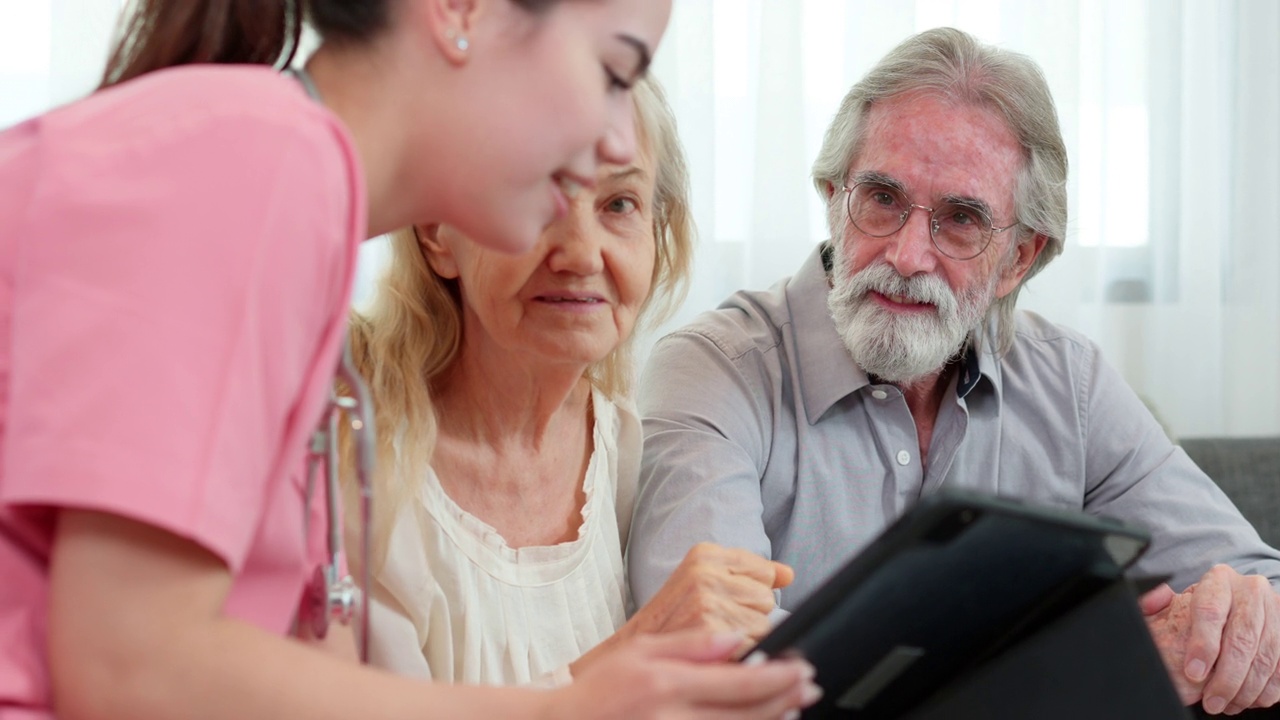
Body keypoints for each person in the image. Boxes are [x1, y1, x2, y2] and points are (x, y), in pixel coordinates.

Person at [0, 0, 818, 718]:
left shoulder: (292, 208)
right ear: (460, 9)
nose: (612, 135)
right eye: (612, 70)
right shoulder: (255, 159)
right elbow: (126, 667)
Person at [627, 26, 1280, 717]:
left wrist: (1226, 626)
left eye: (960, 219)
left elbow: (1261, 585)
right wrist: (1075, 675)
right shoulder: (715, 371)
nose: (907, 255)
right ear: (831, 195)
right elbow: (713, 676)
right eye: (880, 198)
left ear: (1020, 258)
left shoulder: (1072, 384)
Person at [344, 75, 805, 688]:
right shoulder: (361, 465)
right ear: (436, 232)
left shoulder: (615, 436)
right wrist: (646, 645)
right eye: (534, 198)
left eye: (619, 205)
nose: (583, 254)